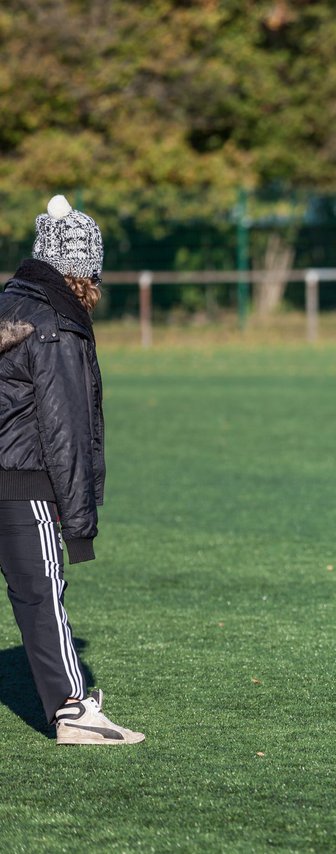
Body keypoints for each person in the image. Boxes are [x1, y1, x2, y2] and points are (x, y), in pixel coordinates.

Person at [0, 195, 143, 745]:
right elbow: (65, 429)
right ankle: (71, 711)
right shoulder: (58, 322)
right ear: (83, 270)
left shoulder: (10, 305)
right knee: (42, 596)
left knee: (31, 596)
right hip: (24, 482)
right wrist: (76, 520)